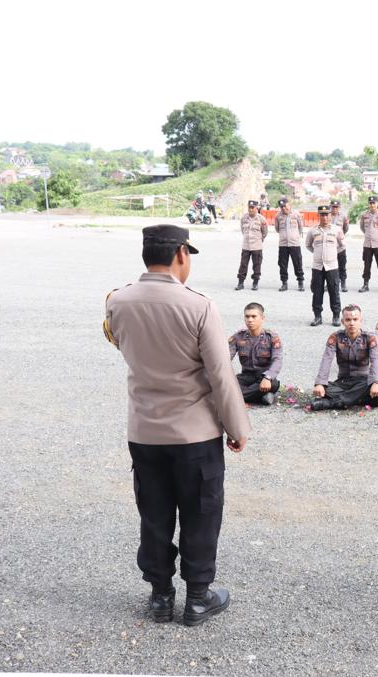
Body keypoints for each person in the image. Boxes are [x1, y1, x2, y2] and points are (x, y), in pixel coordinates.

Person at [103, 224, 248, 626]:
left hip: (145, 432)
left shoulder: (117, 301)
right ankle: (198, 598)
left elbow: (121, 345)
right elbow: (220, 374)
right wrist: (237, 427)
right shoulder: (199, 306)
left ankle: (161, 597)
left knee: (154, 514)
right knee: (201, 514)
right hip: (194, 434)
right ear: (181, 254)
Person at [310, 304, 378, 410]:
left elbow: (376, 361)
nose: (352, 323)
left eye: (355, 319)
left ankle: (333, 403)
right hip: (343, 382)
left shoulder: (370, 338)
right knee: (324, 389)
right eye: (348, 320)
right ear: (342, 322)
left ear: (361, 321)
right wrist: (320, 383)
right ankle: (362, 399)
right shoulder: (335, 337)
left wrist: (375, 383)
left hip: (363, 381)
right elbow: (326, 360)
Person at [228, 302, 283, 405]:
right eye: (247, 316)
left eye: (254, 316)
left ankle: (235, 398)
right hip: (246, 377)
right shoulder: (238, 336)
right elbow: (226, 358)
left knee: (273, 384)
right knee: (227, 385)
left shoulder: (272, 337)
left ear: (262, 318)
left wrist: (268, 377)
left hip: (265, 377)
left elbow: (277, 360)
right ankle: (262, 396)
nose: (250, 320)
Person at [306, 205, 345, 326]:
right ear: (318, 215)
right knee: (317, 291)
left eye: (327, 214)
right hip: (317, 267)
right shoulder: (313, 230)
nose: (325, 217)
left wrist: (331, 255)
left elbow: (342, 246)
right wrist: (318, 254)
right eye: (322, 214)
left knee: (334, 291)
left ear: (330, 215)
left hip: (332, 266)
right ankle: (317, 316)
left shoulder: (337, 230)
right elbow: (308, 245)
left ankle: (336, 316)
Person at [360, 196, 378, 293]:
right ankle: (365, 284)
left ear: (377, 204)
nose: (372, 205)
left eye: (374, 203)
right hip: (367, 244)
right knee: (366, 265)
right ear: (368, 204)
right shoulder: (364, 215)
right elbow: (362, 228)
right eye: (370, 203)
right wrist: (369, 235)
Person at [274, 197, 306, 292]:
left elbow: (300, 227)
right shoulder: (278, 216)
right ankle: (284, 283)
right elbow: (277, 228)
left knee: (298, 264)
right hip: (283, 244)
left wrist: (295, 236)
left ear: (289, 204)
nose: (284, 208)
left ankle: (300, 282)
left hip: (294, 244)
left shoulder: (296, 214)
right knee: (282, 265)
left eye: (285, 206)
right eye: (281, 207)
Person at [236, 200, 268, 291]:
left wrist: (259, 239)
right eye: (249, 207)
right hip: (246, 246)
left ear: (256, 208)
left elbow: (264, 232)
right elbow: (243, 230)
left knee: (257, 265)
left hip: (257, 246)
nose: (250, 209)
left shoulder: (261, 219)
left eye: (252, 208)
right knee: (243, 265)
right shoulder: (244, 218)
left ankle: (255, 283)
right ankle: (240, 283)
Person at [328, 200, 350, 292]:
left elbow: (346, 228)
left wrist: (340, 236)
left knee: (342, 265)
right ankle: (329, 283)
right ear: (330, 207)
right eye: (333, 207)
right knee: (329, 266)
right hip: (329, 246)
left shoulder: (343, 216)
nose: (335, 209)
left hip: (340, 246)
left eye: (336, 207)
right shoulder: (326, 215)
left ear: (339, 207)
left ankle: (343, 283)